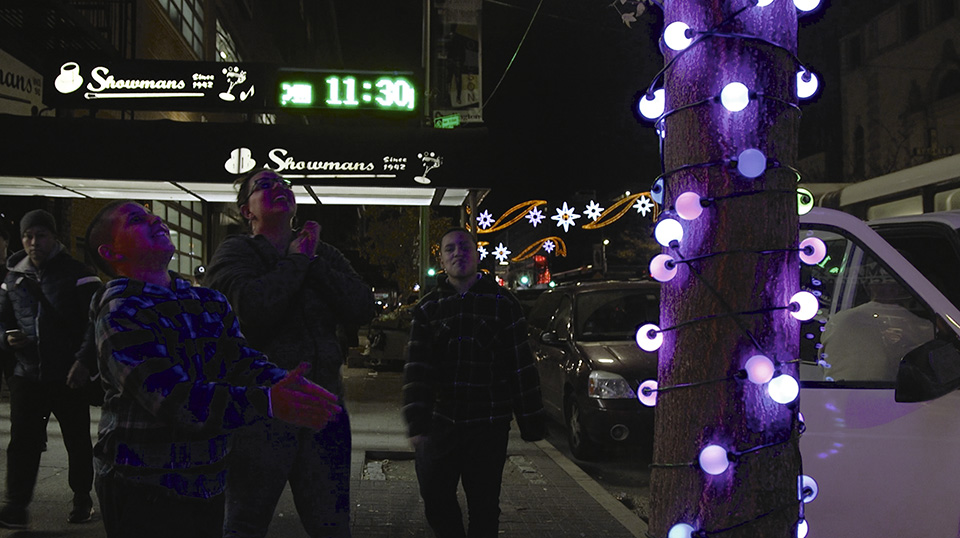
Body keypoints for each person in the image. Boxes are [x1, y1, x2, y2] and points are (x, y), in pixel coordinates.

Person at [84, 201, 342, 538]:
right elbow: (170, 397)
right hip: (143, 482)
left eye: (151, 213)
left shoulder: (206, 300)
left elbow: (238, 359)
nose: (154, 219)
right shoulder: (120, 310)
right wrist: (266, 402)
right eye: (136, 220)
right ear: (111, 252)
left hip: (208, 477)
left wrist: (284, 384)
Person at [206, 168, 376, 538]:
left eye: (284, 184)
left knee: (331, 524)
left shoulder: (322, 253)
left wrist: (312, 261)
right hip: (260, 413)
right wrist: (296, 262)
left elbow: (362, 307)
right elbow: (250, 312)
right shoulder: (235, 252)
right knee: (244, 523)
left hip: (324, 408)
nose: (278, 188)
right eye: (264, 186)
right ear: (245, 210)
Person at [402, 228, 545, 538]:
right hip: (441, 423)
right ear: (441, 258)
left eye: (464, 246)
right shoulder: (428, 309)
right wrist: (417, 422)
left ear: (476, 253)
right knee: (436, 498)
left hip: (488, 425)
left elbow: (520, 365)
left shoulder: (502, 304)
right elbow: (417, 370)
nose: (458, 253)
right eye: (450, 248)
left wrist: (531, 421)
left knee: (484, 506)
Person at [0, 209, 101, 529]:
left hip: (68, 375)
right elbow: (2, 320)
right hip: (28, 374)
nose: (33, 242)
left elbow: (94, 323)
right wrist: (6, 336)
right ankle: (16, 505)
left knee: (76, 440)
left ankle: (82, 497)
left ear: (54, 237)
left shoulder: (78, 273)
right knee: (23, 442)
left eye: (41, 235)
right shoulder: (13, 278)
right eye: (28, 236)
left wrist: (83, 362)